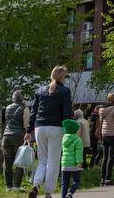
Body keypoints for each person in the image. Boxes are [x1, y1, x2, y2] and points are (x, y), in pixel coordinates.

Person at [26, 64, 73, 198]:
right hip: (56, 128)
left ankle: (36, 185)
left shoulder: (40, 90)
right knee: (53, 161)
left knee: (42, 160)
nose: (66, 79)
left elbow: (33, 112)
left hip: (39, 128)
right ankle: (48, 192)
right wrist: (69, 130)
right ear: (62, 77)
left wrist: (29, 130)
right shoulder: (65, 91)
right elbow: (67, 113)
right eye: (66, 76)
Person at [2, 90, 31, 191]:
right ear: (22, 98)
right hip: (18, 136)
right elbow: (26, 124)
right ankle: (17, 186)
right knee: (20, 161)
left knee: (7, 162)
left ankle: (8, 186)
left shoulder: (8, 107)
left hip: (6, 136)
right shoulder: (24, 108)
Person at [98, 93, 114, 187]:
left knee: (105, 157)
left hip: (104, 134)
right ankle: (108, 179)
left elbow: (101, 122)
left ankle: (103, 179)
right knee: (111, 157)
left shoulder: (102, 109)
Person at [59, 118, 83, 198]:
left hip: (65, 164)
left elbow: (62, 150)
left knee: (64, 184)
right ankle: (70, 194)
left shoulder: (63, 138)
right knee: (76, 181)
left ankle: (63, 196)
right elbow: (78, 152)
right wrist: (79, 162)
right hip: (74, 164)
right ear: (76, 130)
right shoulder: (78, 140)